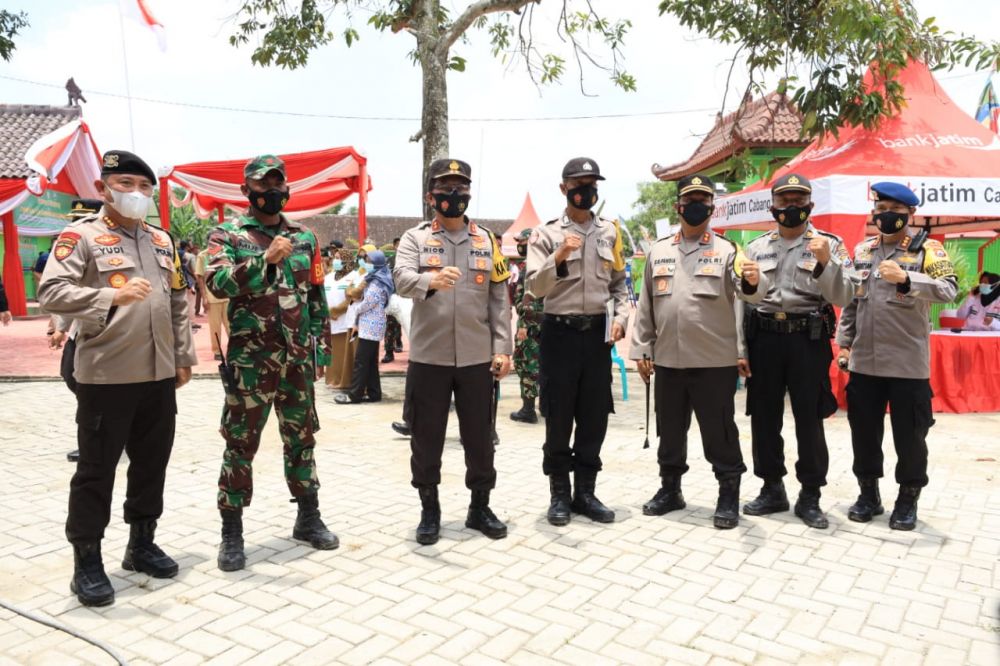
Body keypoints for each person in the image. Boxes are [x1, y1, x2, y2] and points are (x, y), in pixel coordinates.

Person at [37, 149, 197, 606]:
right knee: (96, 470)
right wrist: (109, 295)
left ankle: (141, 544)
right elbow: (51, 291)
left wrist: (183, 357)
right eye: (126, 184)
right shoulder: (81, 237)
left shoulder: (161, 241)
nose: (137, 194)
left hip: (159, 374)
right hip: (106, 376)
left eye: (145, 187)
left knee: (151, 462)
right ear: (102, 189)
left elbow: (178, 302)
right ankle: (86, 561)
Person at [206, 154, 338, 571]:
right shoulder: (227, 234)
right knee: (240, 444)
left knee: (302, 438)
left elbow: (315, 295)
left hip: (297, 359)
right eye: (263, 186)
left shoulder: (305, 237)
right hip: (251, 361)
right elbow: (217, 283)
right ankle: (232, 532)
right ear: (247, 191)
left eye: (278, 185)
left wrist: (322, 349)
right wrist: (265, 262)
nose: (272, 192)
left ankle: (308, 517)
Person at [630, 174, 765, 529]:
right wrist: (642, 348)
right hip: (669, 361)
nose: (696, 206)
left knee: (718, 432)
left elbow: (750, 292)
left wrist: (754, 279)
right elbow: (646, 305)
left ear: (712, 207)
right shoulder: (659, 251)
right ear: (679, 206)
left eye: (703, 200)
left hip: (713, 362)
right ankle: (670, 490)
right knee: (670, 430)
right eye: (690, 199)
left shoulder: (728, 251)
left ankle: (728, 494)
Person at [393, 157, 513, 545]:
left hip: (478, 358)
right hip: (430, 357)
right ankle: (430, 510)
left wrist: (502, 347)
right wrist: (431, 279)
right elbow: (400, 278)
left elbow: (499, 296)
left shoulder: (486, 241)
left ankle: (480, 507)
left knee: (480, 437)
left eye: (460, 188)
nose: (454, 194)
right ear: (431, 196)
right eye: (445, 188)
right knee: (426, 438)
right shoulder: (415, 238)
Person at [836, 182, 958, 530]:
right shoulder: (862, 251)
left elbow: (949, 290)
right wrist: (844, 344)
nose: (886, 215)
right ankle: (868, 494)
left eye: (896, 210)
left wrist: (907, 279)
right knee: (864, 433)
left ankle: (907, 499)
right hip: (865, 363)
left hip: (907, 364)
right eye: (881, 208)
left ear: (910, 215)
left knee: (910, 436)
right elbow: (852, 303)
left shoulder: (928, 250)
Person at [738, 174, 857, 529]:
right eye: (785, 200)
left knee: (809, 418)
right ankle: (772, 487)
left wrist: (826, 264)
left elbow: (844, 296)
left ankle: (810, 494)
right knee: (763, 417)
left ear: (810, 205)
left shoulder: (830, 245)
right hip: (765, 338)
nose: (792, 206)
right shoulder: (757, 248)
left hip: (808, 338)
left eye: (798, 200)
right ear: (772, 205)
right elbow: (745, 299)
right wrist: (742, 347)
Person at [525, 157, 628, 526]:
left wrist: (621, 318)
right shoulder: (544, 234)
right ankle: (559, 494)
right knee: (558, 414)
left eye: (591, 184)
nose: (585, 190)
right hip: (560, 334)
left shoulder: (610, 232)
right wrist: (560, 254)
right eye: (577, 184)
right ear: (563, 188)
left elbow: (620, 283)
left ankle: (586, 492)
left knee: (594, 415)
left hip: (597, 336)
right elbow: (535, 286)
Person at [336, 250, 393, 404]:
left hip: (371, 325)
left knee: (361, 361)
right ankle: (374, 393)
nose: (366, 264)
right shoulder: (376, 278)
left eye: (369, 261)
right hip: (371, 324)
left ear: (377, 263)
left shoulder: (377, 282)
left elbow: (369, 302)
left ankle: (354, 395)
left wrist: (357, 307)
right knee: (369, 362)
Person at [510, 228, 545, 423]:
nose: (519, 246)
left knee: (527, 364)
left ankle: (528, 410)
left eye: (522, 242)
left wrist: (523, 320)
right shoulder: (548, 263)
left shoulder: (529, 266)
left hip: (530, 325)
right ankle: (546, 407)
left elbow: (524, 299)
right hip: (547, 323)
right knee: (545, 365)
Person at [324, 249, 361, 388]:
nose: (335, 260)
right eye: (335, 258)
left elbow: (353, 298)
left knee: (347, 353)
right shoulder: (329, 277)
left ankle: (346, 381)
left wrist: (336, 311)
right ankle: (334, 379)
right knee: (334, 352)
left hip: (347, 320)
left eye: (339, 258)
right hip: (331, 320)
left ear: (347, 260)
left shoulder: (354, 276)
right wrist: (327, 312)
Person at [196, 244, 230, 360]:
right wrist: (204, 297)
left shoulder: (226, 253)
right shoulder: (203, 256)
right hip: (212, 298)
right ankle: (217, 351)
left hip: (228, 296)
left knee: (232, 326)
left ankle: (235, 349)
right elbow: (200, 277)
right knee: (215, 327)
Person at [382, 237, 404, 362]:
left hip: (408, 297)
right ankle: (389, 352)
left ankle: (413, 354)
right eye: (398, 245)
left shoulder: (411, 259)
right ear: (394, 246)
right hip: (393, 297)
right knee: (390, 325)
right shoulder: (390, 261)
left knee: (410, 326)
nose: (400, 247)